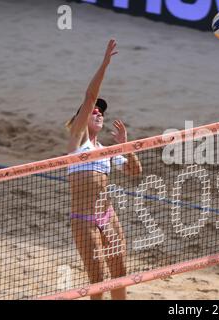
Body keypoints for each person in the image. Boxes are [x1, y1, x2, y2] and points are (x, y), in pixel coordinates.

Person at [65, 39, 142, 300]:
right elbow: (89, 96)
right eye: (94, 111)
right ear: (79, 119)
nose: (99, 112)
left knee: (120, 273)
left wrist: (124, 145)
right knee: (97, 282)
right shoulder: (77, 141)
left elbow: (134, 172)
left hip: (107, 216)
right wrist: (105, 63)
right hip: (83, 221)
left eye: (102, 112)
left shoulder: (107, 150)